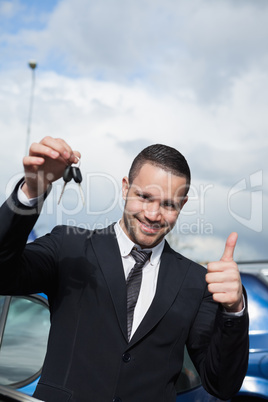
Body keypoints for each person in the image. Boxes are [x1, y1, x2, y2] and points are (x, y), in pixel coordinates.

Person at [0, 137, 248, 402]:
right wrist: (32, 190)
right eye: (144, 197)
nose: (153, 215)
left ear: (183, 205)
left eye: (168, 204)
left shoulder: (196, 284)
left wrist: (234, 310)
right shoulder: (69, 247)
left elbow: (222, 384)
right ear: (126, 188)